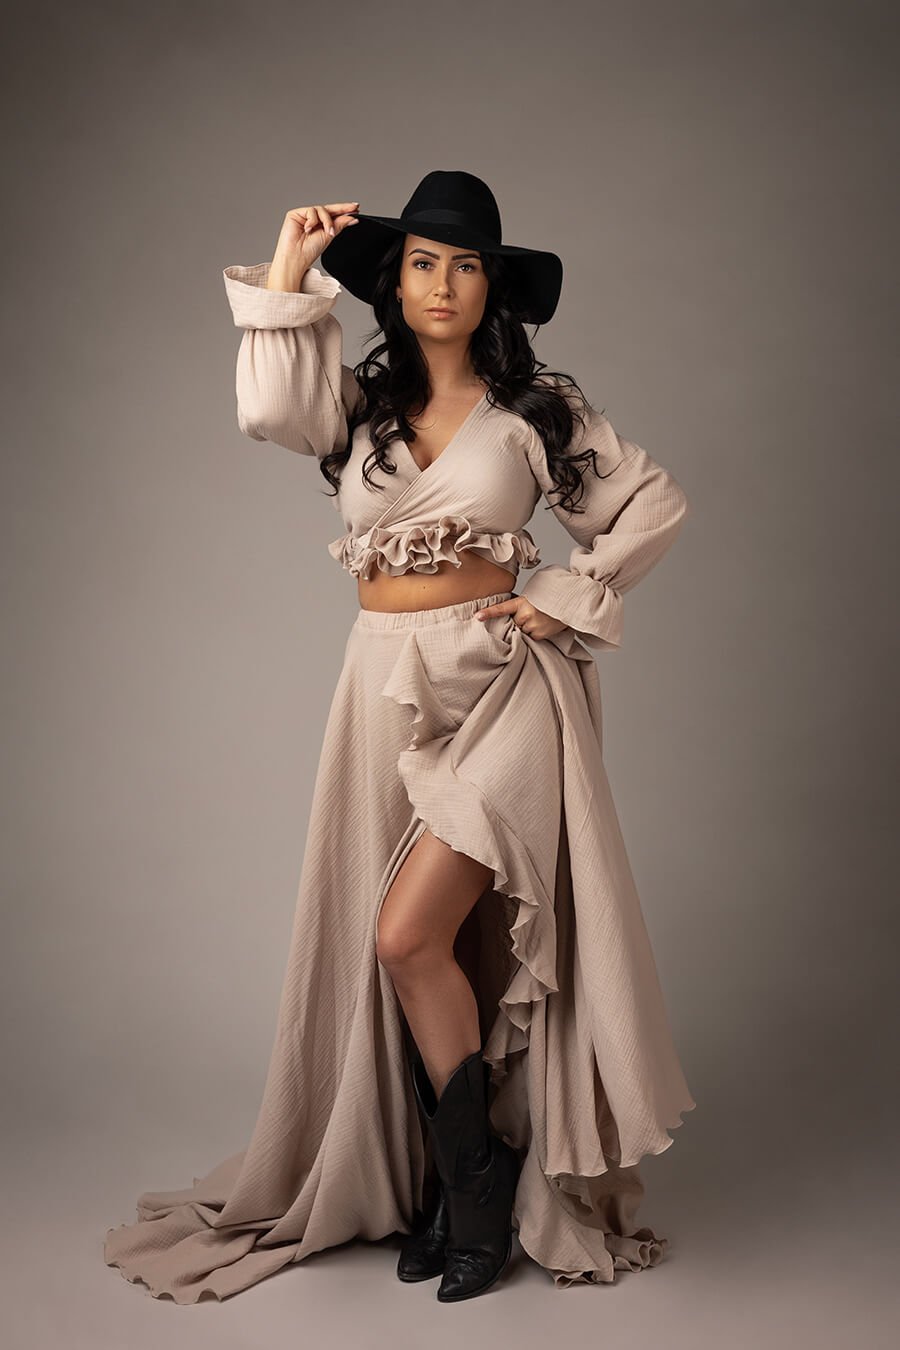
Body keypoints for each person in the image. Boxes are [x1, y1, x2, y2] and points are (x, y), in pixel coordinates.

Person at [104, 169, 696, 1305]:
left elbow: (649, 503)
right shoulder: (362, 411)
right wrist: (289, 268)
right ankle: (455, 1186)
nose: (443, 283)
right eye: (423, 260)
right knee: (420, 947)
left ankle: (476, 1194)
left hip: (507, 691)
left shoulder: (536, 413)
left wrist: (567, 595)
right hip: (385, 688)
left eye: (466, 264)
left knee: (407, 934)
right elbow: (270, 411)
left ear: (492, 290)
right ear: (395, 280)